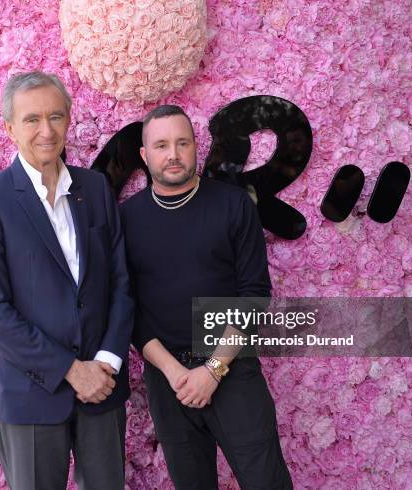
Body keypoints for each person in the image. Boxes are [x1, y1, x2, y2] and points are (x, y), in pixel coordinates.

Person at [0, 71, 133, 490]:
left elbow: (122, 285)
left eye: (56, 117)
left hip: (104, 388)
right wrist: (72, 371)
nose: (46, 130)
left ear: (68, 120)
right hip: (31, 395)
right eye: (32, 119)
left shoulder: (95, 189)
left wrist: (106, 365)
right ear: (10, 128)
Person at [120, 105, 293, 489]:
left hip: (233, 371)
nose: (174, 154)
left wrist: (213, 370)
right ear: (145, 156)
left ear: (196, 147)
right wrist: (176, 373)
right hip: (170, 381)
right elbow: (128, 308)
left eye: (182, 143)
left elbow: (254, 295)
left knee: (267, 482)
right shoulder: (127, 219)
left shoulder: (232, 205)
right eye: (162, 145)